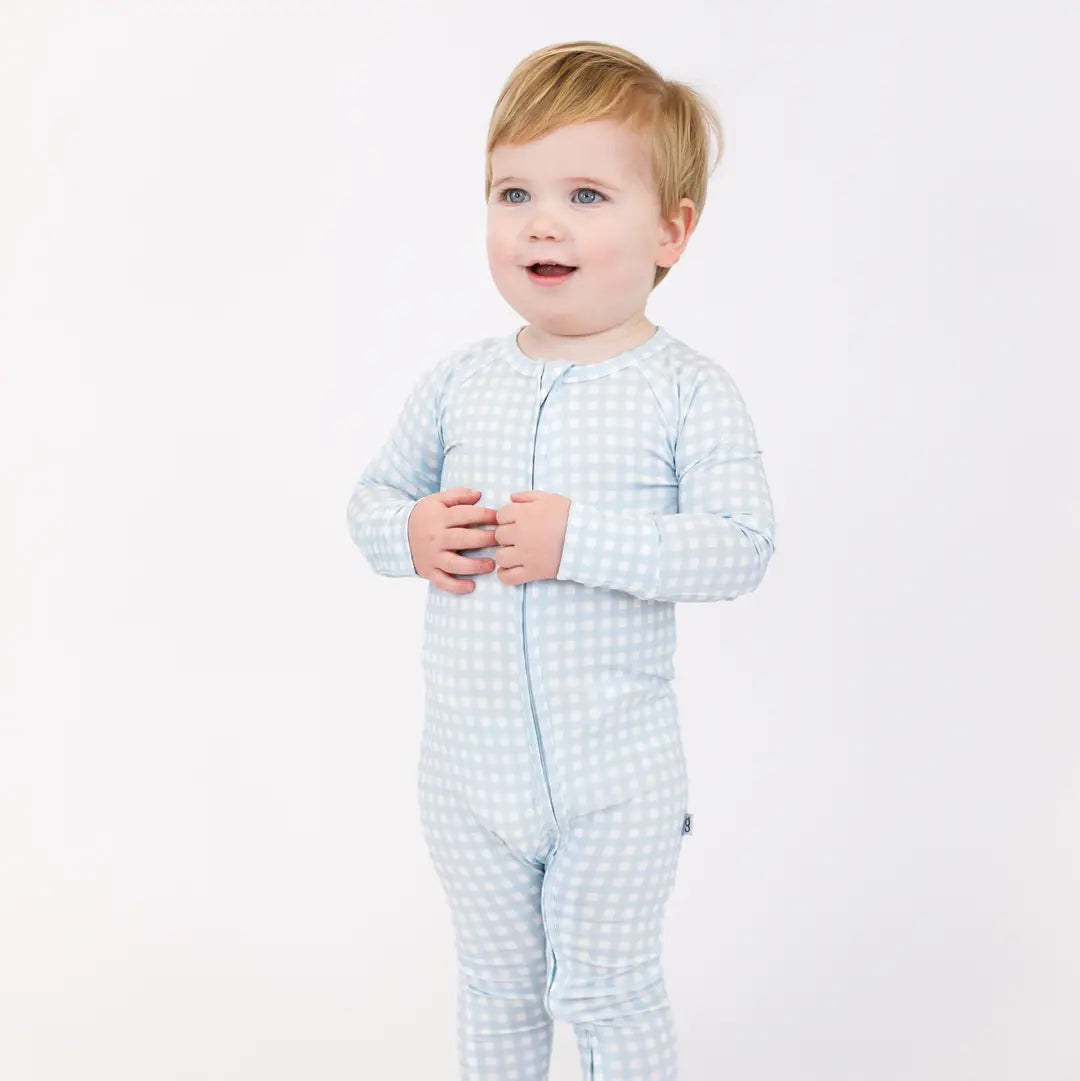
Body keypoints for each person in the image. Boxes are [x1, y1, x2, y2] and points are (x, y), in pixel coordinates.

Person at [346, 39, 776, 1081]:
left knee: (607, 988)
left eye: (586, 194)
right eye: (515, 192)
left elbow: (740, 544)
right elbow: (371, 503)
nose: (543, 222)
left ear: (671, 230)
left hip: (614, 781)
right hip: (468, 779)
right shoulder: (460, 383)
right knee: (496, 988)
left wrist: (579, 538)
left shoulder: (686, 388)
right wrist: (411, 534)